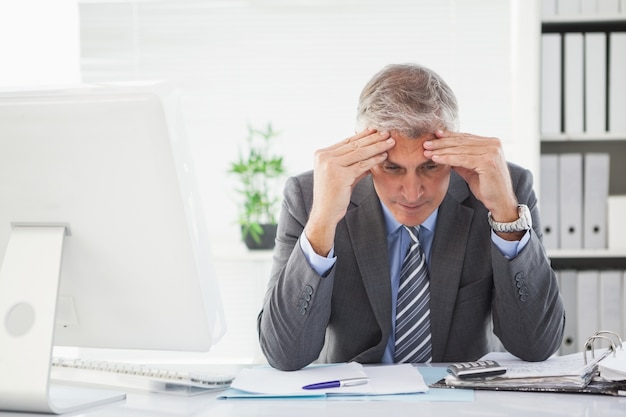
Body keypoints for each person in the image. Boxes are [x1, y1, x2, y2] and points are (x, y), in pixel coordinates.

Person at [257, 63, 565, 371]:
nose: (412, 192)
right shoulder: (310, 196)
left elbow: (536, 345)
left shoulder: (503, 187)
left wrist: (506, 216)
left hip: (466, 400)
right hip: (353, 401)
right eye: (392, 168)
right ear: (364, 155)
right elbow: (285, 354)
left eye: (430, 166)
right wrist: (323, 222)